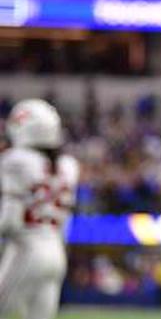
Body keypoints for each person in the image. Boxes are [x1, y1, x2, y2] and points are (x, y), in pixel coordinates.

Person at [0, 99, 79, 319]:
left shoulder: (14, 161)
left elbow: (10, 218)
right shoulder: (69, 165)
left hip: (26, 249)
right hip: (56, 252)